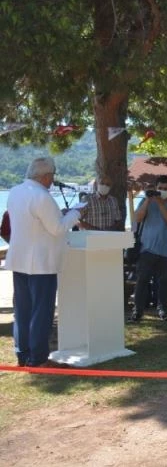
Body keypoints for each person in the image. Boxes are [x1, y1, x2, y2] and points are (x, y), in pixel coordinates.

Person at [7, 157, 83, 366]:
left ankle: (22, 354)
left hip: (20, 259)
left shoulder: (15, 192)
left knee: (22, 310)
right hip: (41, 262)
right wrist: (76, 212)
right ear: (46, 176)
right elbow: (57, 229)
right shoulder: (42, 196)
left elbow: (35, 223)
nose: (52, 180)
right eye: (52, 175)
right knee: (41, 311)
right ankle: (38, 357)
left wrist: (62, 215)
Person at [129, 175, 167, 322]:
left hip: (166, 251)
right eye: (159, 188)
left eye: (165, 189)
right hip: (147, 249)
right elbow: (137, 218)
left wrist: (160, 203)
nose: (162, 191)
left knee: (164, 282)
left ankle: (163, 310)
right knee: (142, 280)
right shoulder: (146, 201)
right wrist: (148, 199)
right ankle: (137, 311)